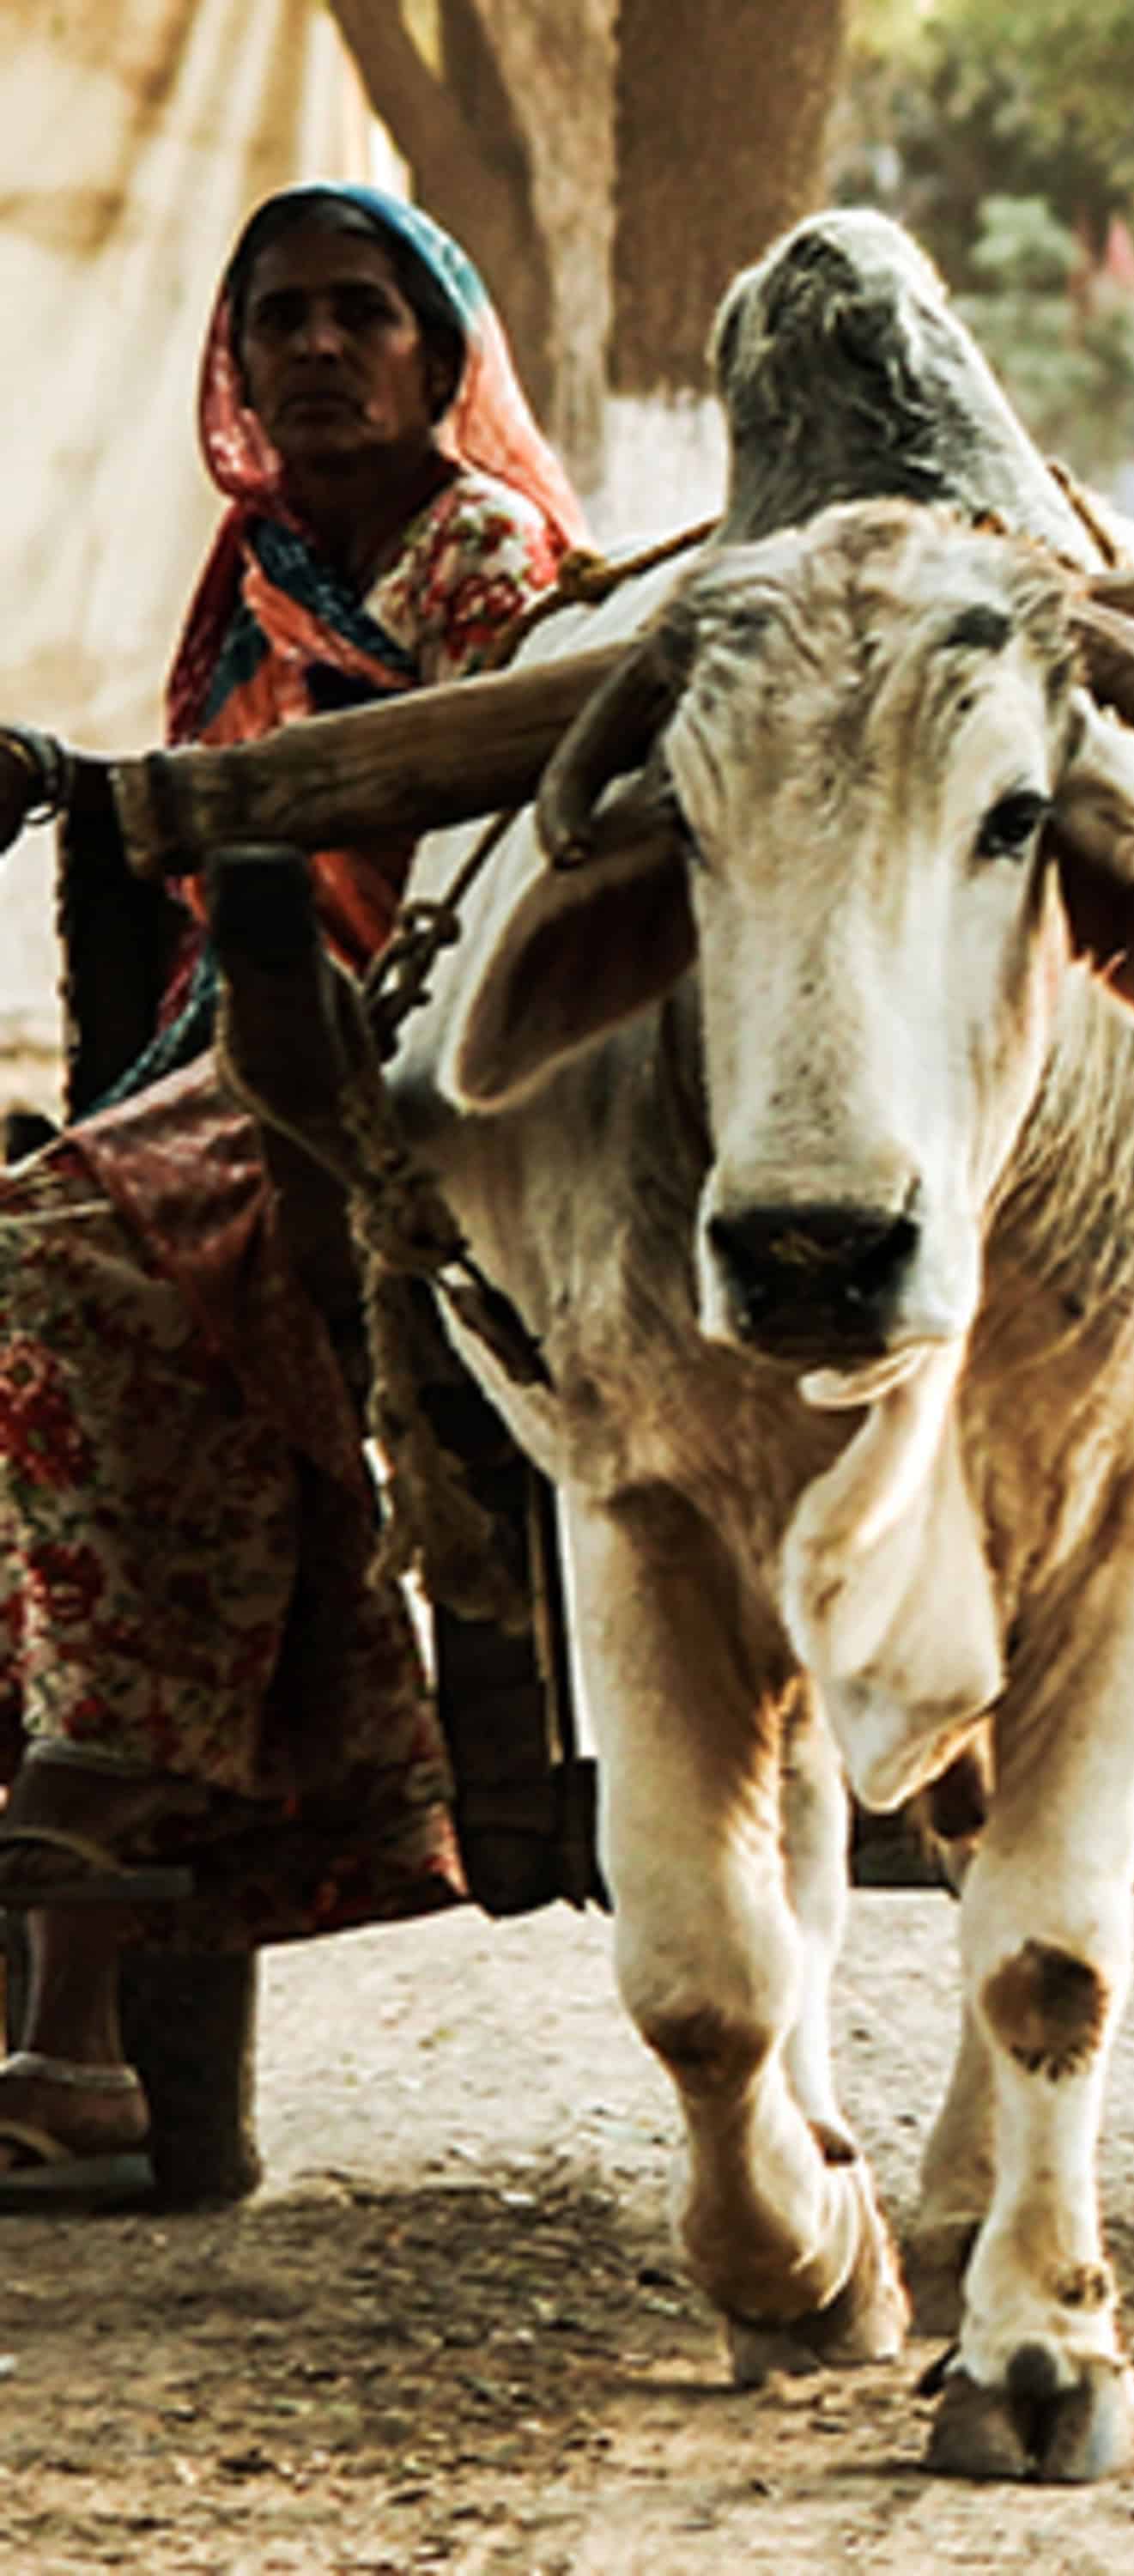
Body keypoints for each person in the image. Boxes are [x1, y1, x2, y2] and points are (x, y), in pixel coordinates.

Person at [0, 183, 583, 2205]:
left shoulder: (484, 557)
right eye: (281, 321)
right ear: (232, 365)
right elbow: (203, 855)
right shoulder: (257, 569)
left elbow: (463, 850)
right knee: (66, 1257)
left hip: (448, 1050)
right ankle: (85, 2037)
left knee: (79, 1277)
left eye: (364, 315)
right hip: (246, 1046)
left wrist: (142, 815)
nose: (319, 351)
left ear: (442, 356)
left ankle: (74, 2035)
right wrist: (81, 801)